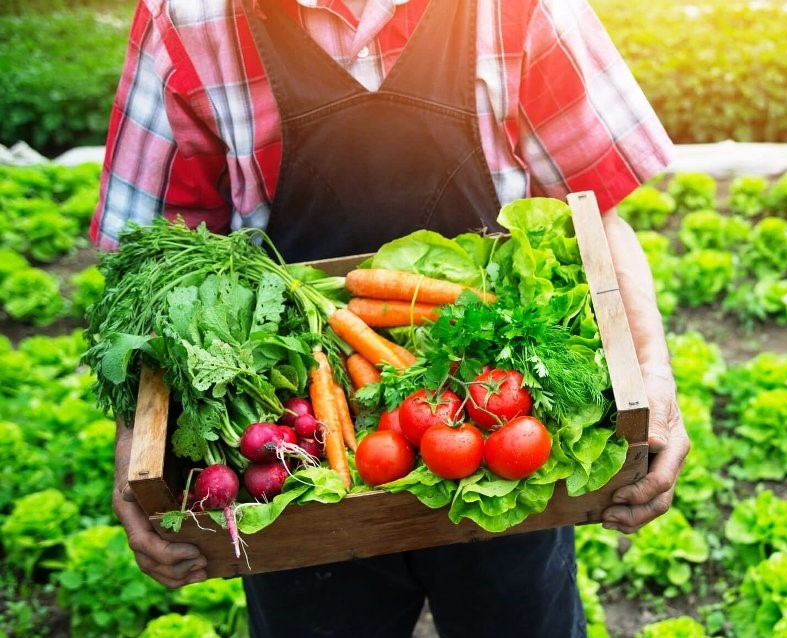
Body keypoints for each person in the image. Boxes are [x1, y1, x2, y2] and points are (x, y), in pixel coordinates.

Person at [92, 0, 687, 635]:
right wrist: (139, 447)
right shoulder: (183, 19)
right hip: (303, 449)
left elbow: (596, 209)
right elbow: (152, 274)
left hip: (500, 432)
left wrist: (651, 372)